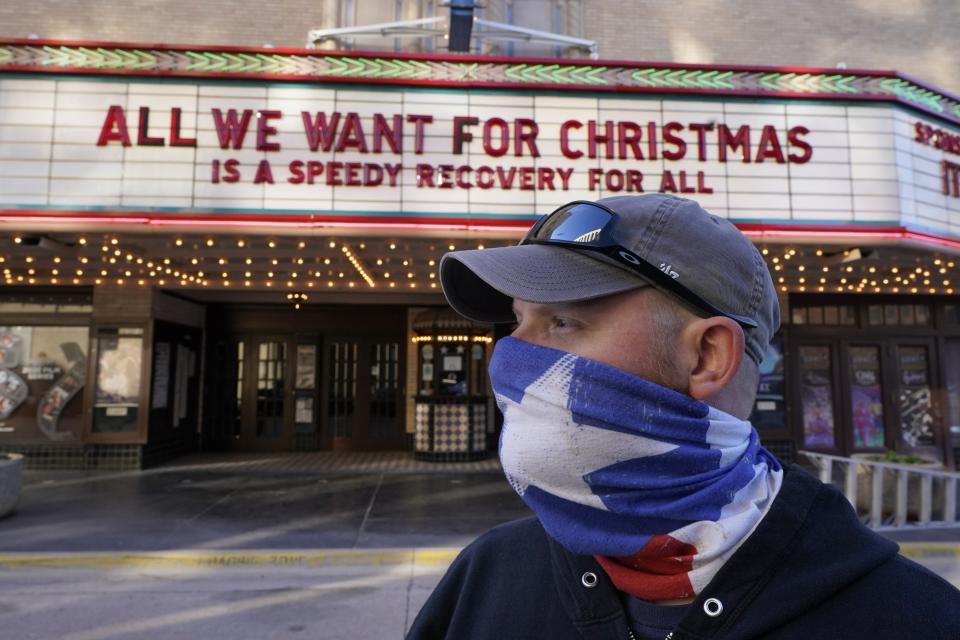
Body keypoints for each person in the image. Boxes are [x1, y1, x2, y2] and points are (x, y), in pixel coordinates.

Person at [407, 195, 960, 640]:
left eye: (562, 323)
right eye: (517, 322)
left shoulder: (915, 619)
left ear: (706, 357)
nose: (510, 358)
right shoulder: (487, 577)